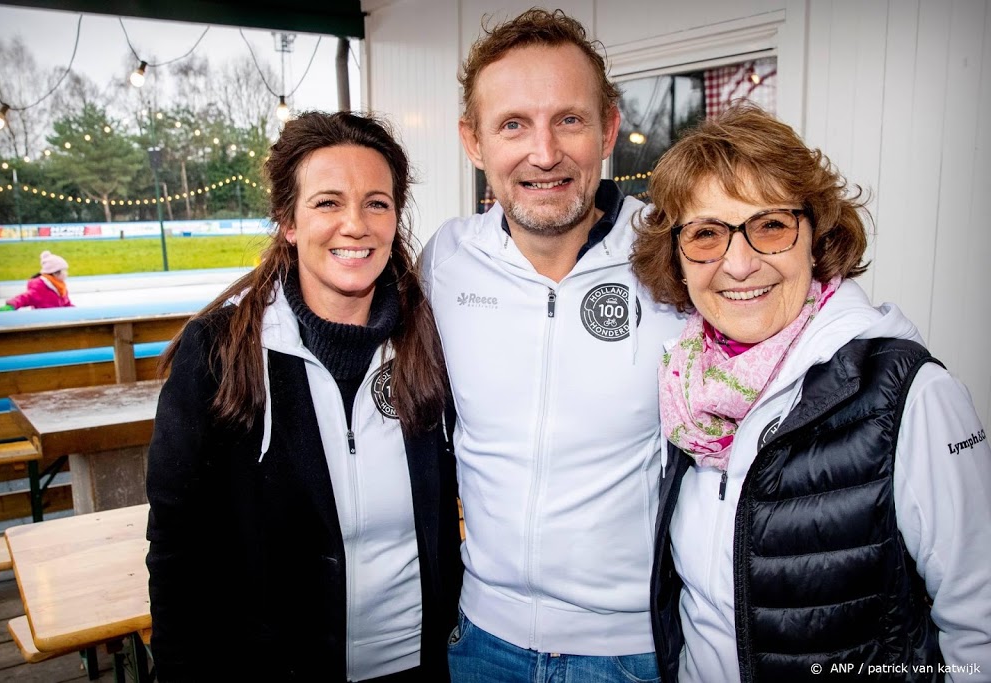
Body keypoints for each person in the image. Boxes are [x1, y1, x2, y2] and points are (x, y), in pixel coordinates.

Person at [634, 103, 991, 682]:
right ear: (677, 257)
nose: (739, 264)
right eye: (706, 234)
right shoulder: (684, 389)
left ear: (816, 237)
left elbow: (980, 625)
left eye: (771, 226)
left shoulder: (910, 396)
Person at [145, 111, 463, 683]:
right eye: (327, 202)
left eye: (376, 203)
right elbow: (177, 545)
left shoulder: (432, 339)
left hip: (418, 666)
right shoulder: (219, 352)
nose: (355, 225)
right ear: (288, 222)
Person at [420, 9, 685, 682]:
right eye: (513, 124)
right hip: (479, 642)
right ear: (473, 140)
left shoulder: (674, 257)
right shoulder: (446, 262)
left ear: (609, 130)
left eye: (569, 119)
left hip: (631, 653)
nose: (544, 153)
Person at [0, 250, 73, 310]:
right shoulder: (41, 287)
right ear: (55, 272)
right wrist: (12, 305)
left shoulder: (60, 287)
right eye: (65, 270)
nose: (67, 273)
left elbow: (67, 304)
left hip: (58, 320)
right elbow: (25, 297)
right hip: (43, 320)